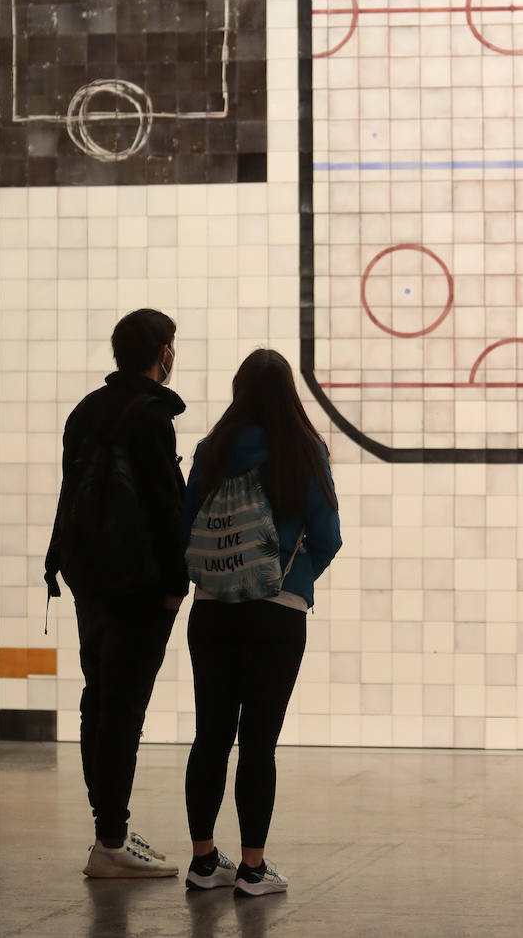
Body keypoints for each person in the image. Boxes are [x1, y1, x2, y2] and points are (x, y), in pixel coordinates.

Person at [180, 349, 342, 897]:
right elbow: (329, 537)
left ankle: (203, 862)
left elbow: (185, 527)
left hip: (212, 609)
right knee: (258, 742)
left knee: (210, 735)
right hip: (277, 615)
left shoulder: (213, 448)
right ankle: (253, 868)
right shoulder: (303, 450)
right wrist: (290, 578)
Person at [44, 308, 188, 879]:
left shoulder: (86, 410)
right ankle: (110, 842)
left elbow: (70, 491)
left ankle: (109, 831)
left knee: (98, 698)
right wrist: (176, 583)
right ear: (162, 352)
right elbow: (165, 505)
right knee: (124, 708)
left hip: (88, 576)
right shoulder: (152, 416)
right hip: (140, 584)